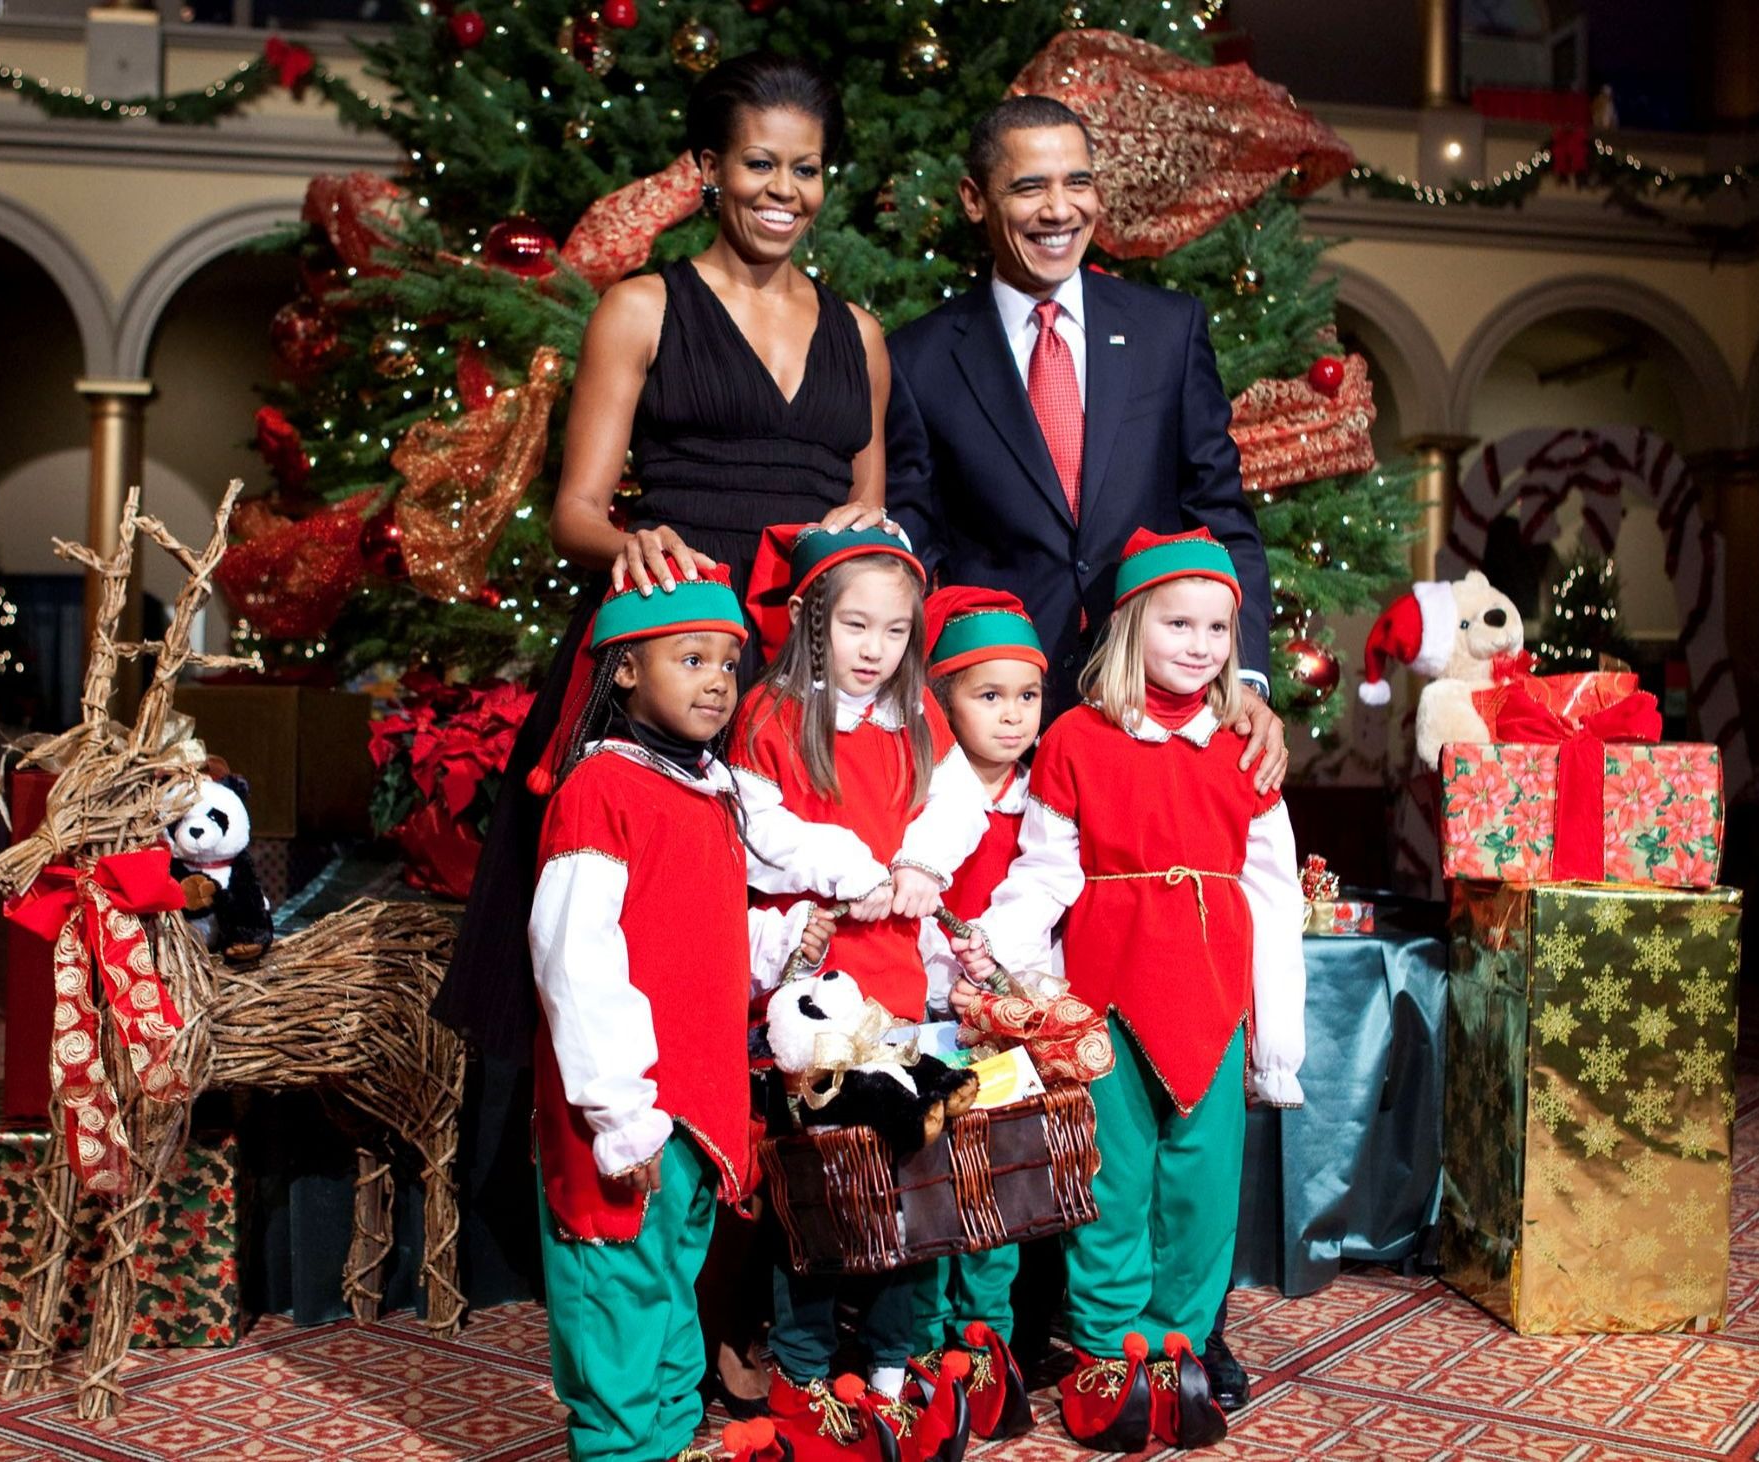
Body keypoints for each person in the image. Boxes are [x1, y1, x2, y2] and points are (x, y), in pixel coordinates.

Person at [881, 89, 1287, 1404]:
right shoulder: (925, 353)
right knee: (1021, 1016)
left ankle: (1172, 1324)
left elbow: (1217, 509)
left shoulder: (1164, 327)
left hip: (1150, 712)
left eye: (1077, 185)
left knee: (1160, 1058)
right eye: (1027, 188)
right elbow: (917, 534)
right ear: (977, 202)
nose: (1057, 209)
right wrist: (956, 689)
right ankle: (1010, 1317)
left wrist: (1246, 674)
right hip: (997, 720)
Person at [441, 51, 895, 1052]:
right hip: (672, 649)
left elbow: (868, 515)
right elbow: (574, 512)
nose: (783, 191)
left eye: (806, 169)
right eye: (758, 165)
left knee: (805, 933)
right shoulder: (641, 308)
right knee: (631, 933)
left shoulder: (858, 335)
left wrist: (872, 542)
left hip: (798, 676)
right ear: (706, 168)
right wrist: (631, 535)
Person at [955, 528, 1305, 1454]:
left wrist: (1277, 1035)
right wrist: (993, 958)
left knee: (1202, 1184)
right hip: (1105, 998)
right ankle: (1106, 1349)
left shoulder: (1243, 747)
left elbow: (1275, 892)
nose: (1199, 645)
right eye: (1178, 622)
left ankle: (1179, 1341)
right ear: (1130, 624)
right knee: (1112, 1178)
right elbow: (1043, 873)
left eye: (1219, 629)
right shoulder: (1075, 739)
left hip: (1215, 995)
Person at [529, 563, 834, 1462]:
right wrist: (617, 1112)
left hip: (694, 1107)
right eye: (691, 658)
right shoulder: (600, 791)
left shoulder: (706, 790)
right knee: (620, 1293)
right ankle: (624, 1451)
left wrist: (772, 946)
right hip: (629, 1110)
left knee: (670, 1296)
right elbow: (575, 959)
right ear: (624, 669)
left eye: (729, 664)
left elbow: (686, 927)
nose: (716, 680)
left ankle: (662, 1444)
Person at [730, 522, 988, 1459]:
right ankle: (803, 1369)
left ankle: (892, 1361)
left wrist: (920, 863)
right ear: (812, 623)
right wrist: (857, 869)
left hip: (901, 991)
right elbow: (767, 826)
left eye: (893, 631)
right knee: (820, 1190)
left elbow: (960, 806)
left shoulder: (916, 720)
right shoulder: (768, 714)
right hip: (815, 994)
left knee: (907, 1186)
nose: (875, 650)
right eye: (856, 628)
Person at [912, 584, 1053, 1442]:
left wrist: (1005, 972)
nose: (1011, 717)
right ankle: (928, 1350)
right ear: (943, 700)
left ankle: (987, 1337)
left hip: (1005, 1019)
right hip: (929, 1015)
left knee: (995, 1187)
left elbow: (1049, 895)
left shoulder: (1042, 797)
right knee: (931, 1186)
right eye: (987, 695)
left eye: (1027, 695)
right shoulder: (927, 794)